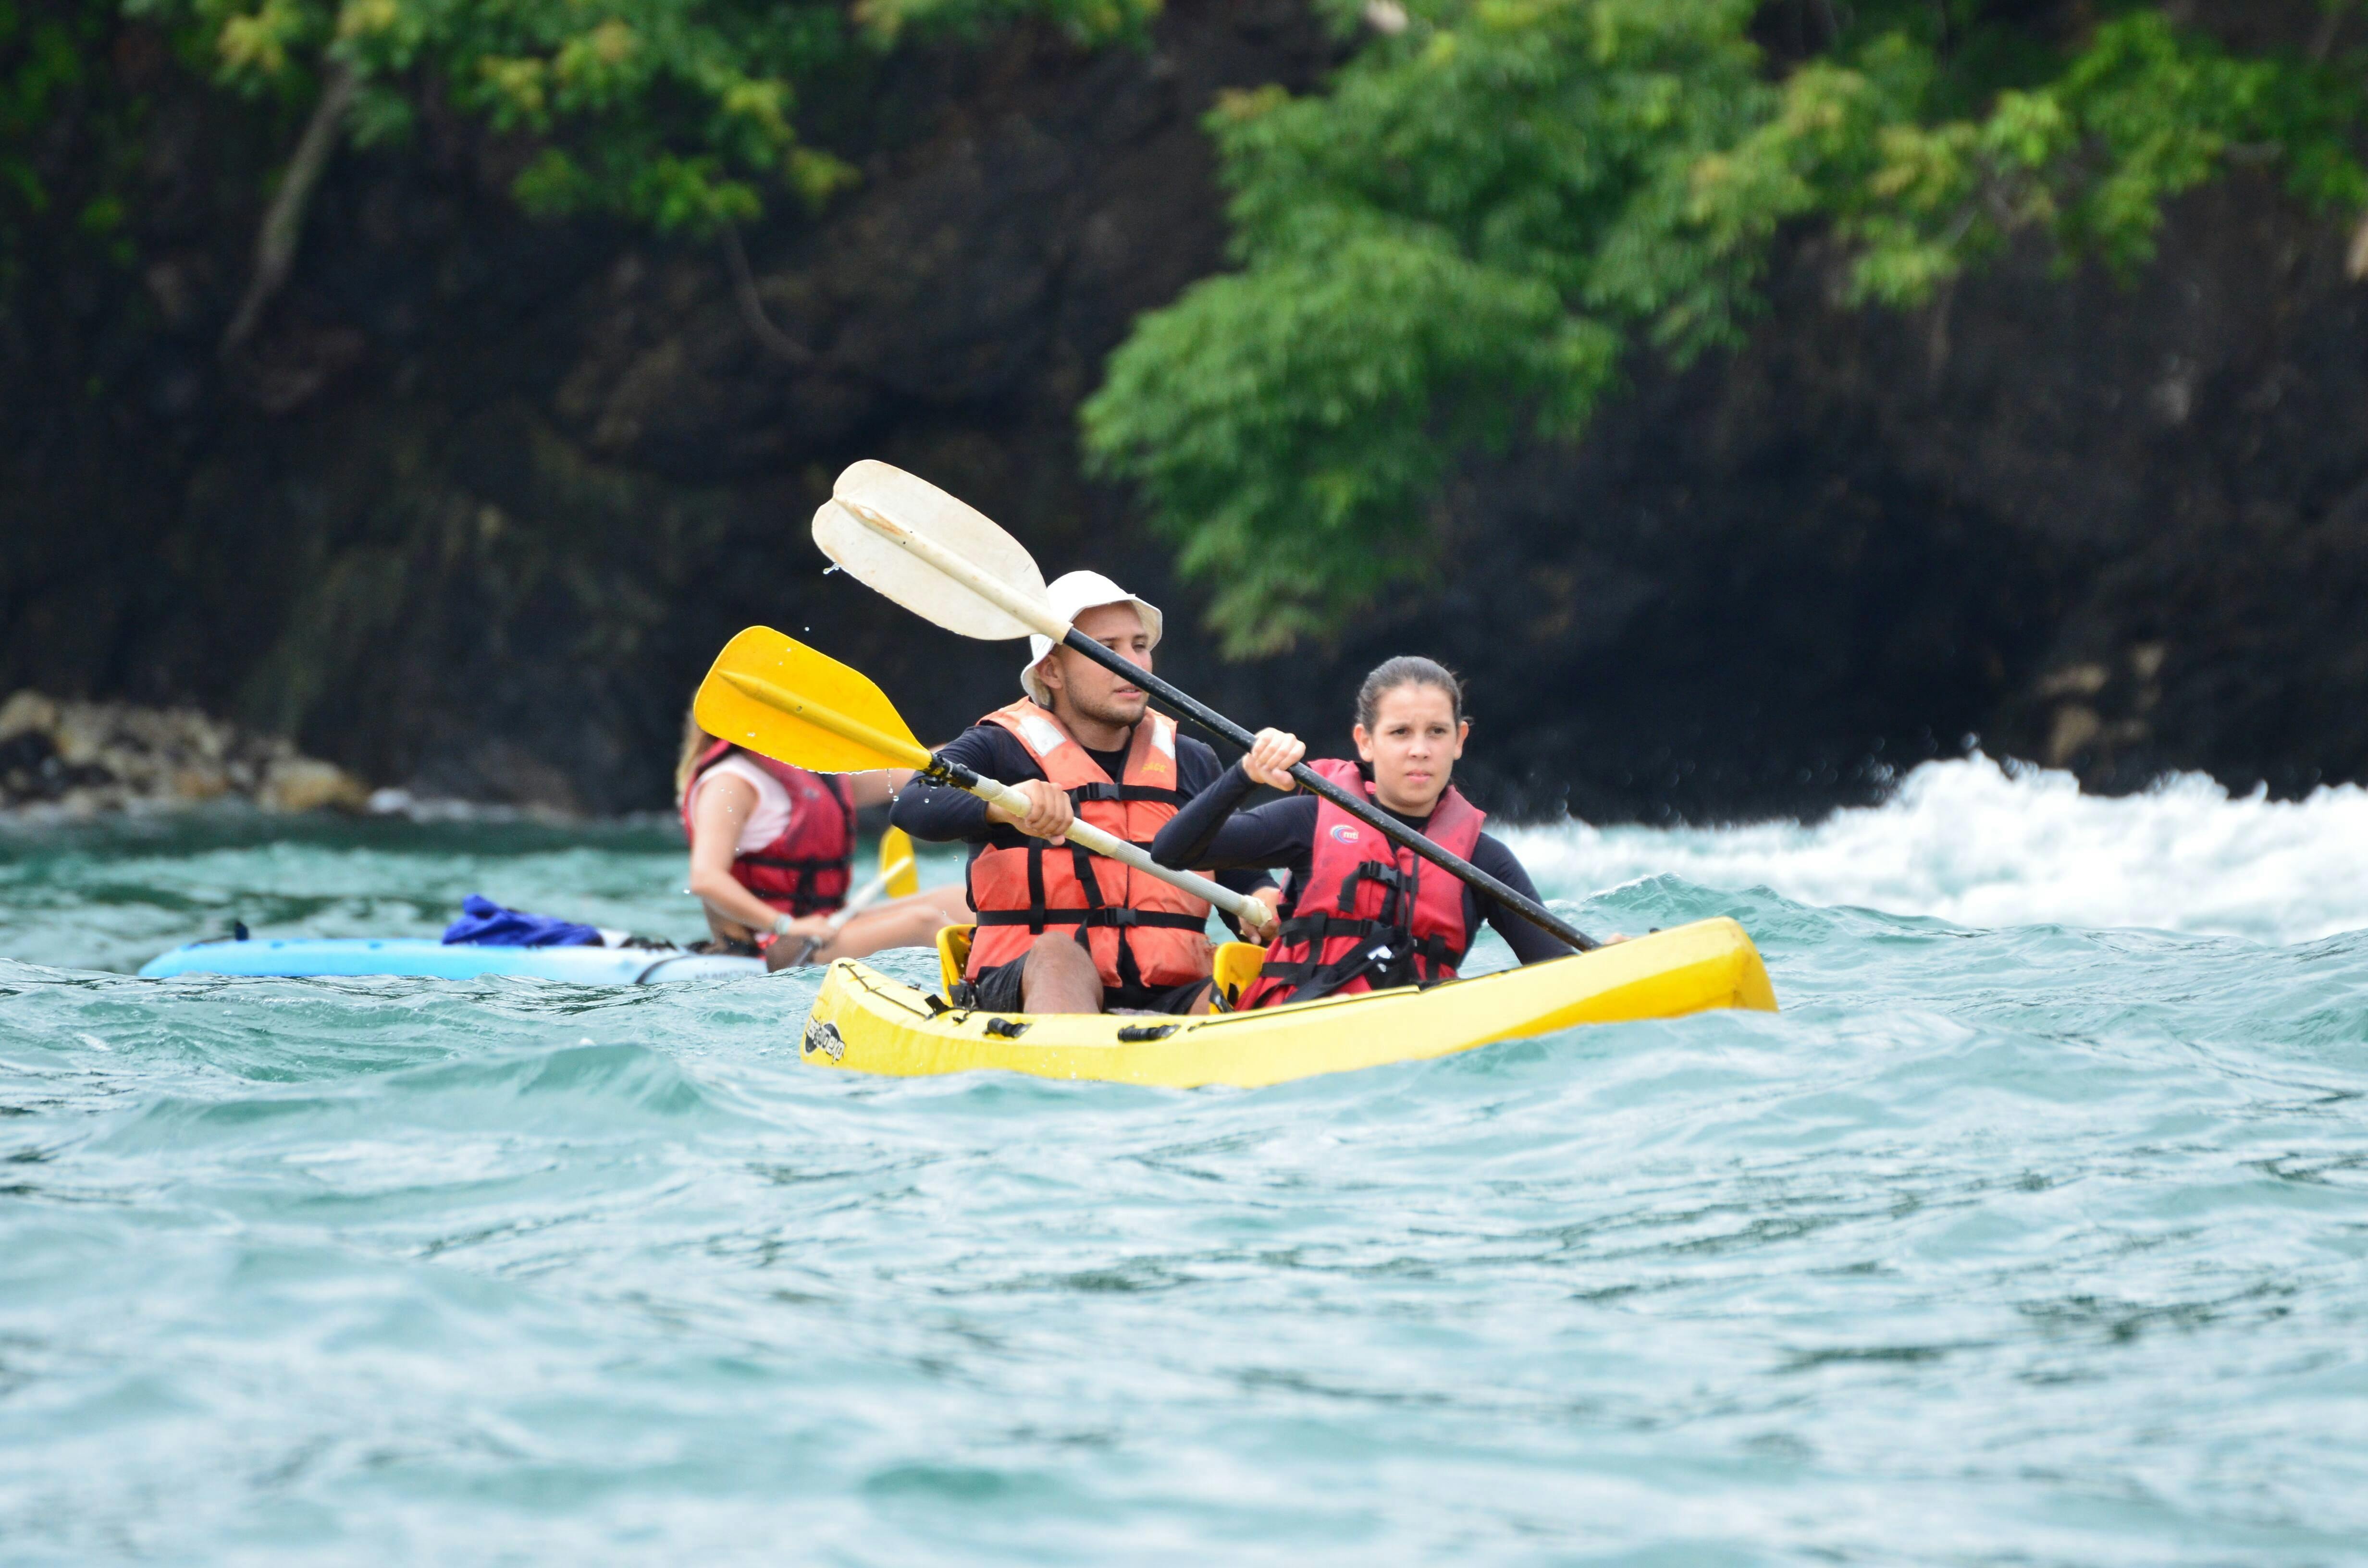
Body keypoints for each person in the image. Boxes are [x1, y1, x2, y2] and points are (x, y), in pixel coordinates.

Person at [888, 571, 1282, 1015]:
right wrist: (1003, 808)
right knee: (1058, 953)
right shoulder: (999, 747)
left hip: (1170, 993)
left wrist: (1265, 901)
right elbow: (914, 803)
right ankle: (1066, 1063)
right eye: (1106, 649)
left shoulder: (1192, 761)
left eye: (1139, 646)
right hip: (1027, 985)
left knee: (1256, 986)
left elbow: (1240, 877)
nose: (1130, 663)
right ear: (1052, 670)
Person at [1151, 655, 1585, 1008]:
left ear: (1460, 740)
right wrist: (1246, 773)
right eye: (1400, 733)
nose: (1420, 750)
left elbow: (1559, 973)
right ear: (1366, 741)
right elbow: (1170, 851)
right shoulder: (1312, 820)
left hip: (1417, 1042)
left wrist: (1614, 963)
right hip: (1298, 1026)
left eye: (1437, 732)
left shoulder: (1483, 860)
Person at [677, 715, 969, 966]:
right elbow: (706, 879)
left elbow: (915, 773)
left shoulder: (809, 774)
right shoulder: (730, 782)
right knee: (922, 923)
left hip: (826, 926)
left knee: (958, 899)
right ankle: (996, 984)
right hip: (772, 944)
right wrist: (788, 925)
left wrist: (983, 745)